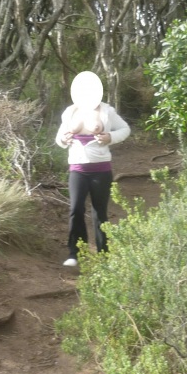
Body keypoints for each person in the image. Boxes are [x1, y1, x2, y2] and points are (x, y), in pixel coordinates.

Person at [55, 72, 131, 266]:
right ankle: (75, 253)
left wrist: (110, 137)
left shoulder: (107, 111)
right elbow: (59, 138)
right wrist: (64, 139)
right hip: (77, 168)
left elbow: (125, 129)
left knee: (99, 212)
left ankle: (103, 254)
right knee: (75, 208)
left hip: (101, 169)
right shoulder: (70, 112)